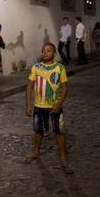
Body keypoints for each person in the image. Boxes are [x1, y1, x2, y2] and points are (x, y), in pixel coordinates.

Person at [25, 43, 74, 174]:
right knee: (38, 130)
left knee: (59, 131)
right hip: (39, 106)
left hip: (55, 107)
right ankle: (36, 151)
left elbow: (65, 88)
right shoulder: (36, 67)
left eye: (48, 51)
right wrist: (28, 104)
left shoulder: (59, 68)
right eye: (43, 51)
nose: (45, 53)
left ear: (54, 53)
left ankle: (64, 158)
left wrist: (59, 104)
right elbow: (29, 86)